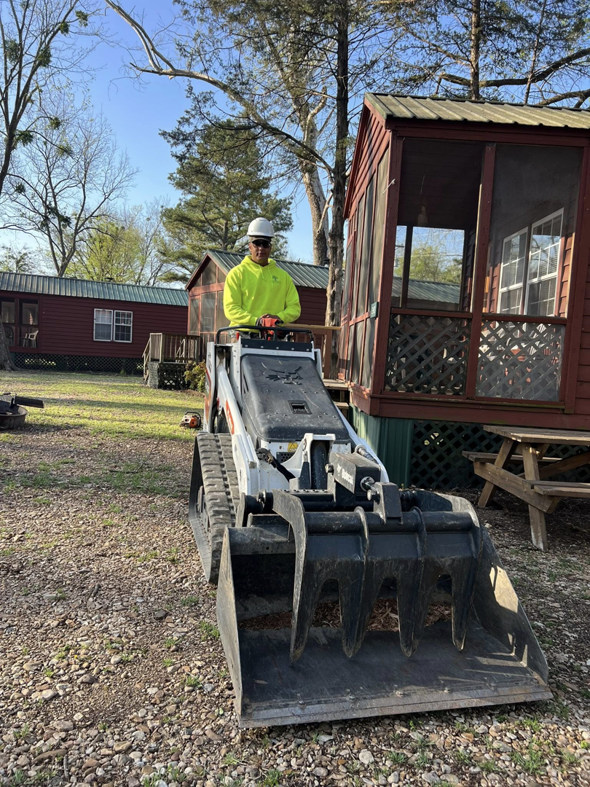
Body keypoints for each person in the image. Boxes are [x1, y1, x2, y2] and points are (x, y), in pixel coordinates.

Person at [223, 217, 301, 328]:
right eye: (257, 243)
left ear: (270, 248)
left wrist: (278, 318)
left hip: (274, 336)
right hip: (243, 335)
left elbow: (295, 308)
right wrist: (257, 321)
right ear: (250, 247)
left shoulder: (284, 277)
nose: (261, 248)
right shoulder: (236, 274)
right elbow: (231, 308)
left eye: (265, 244)